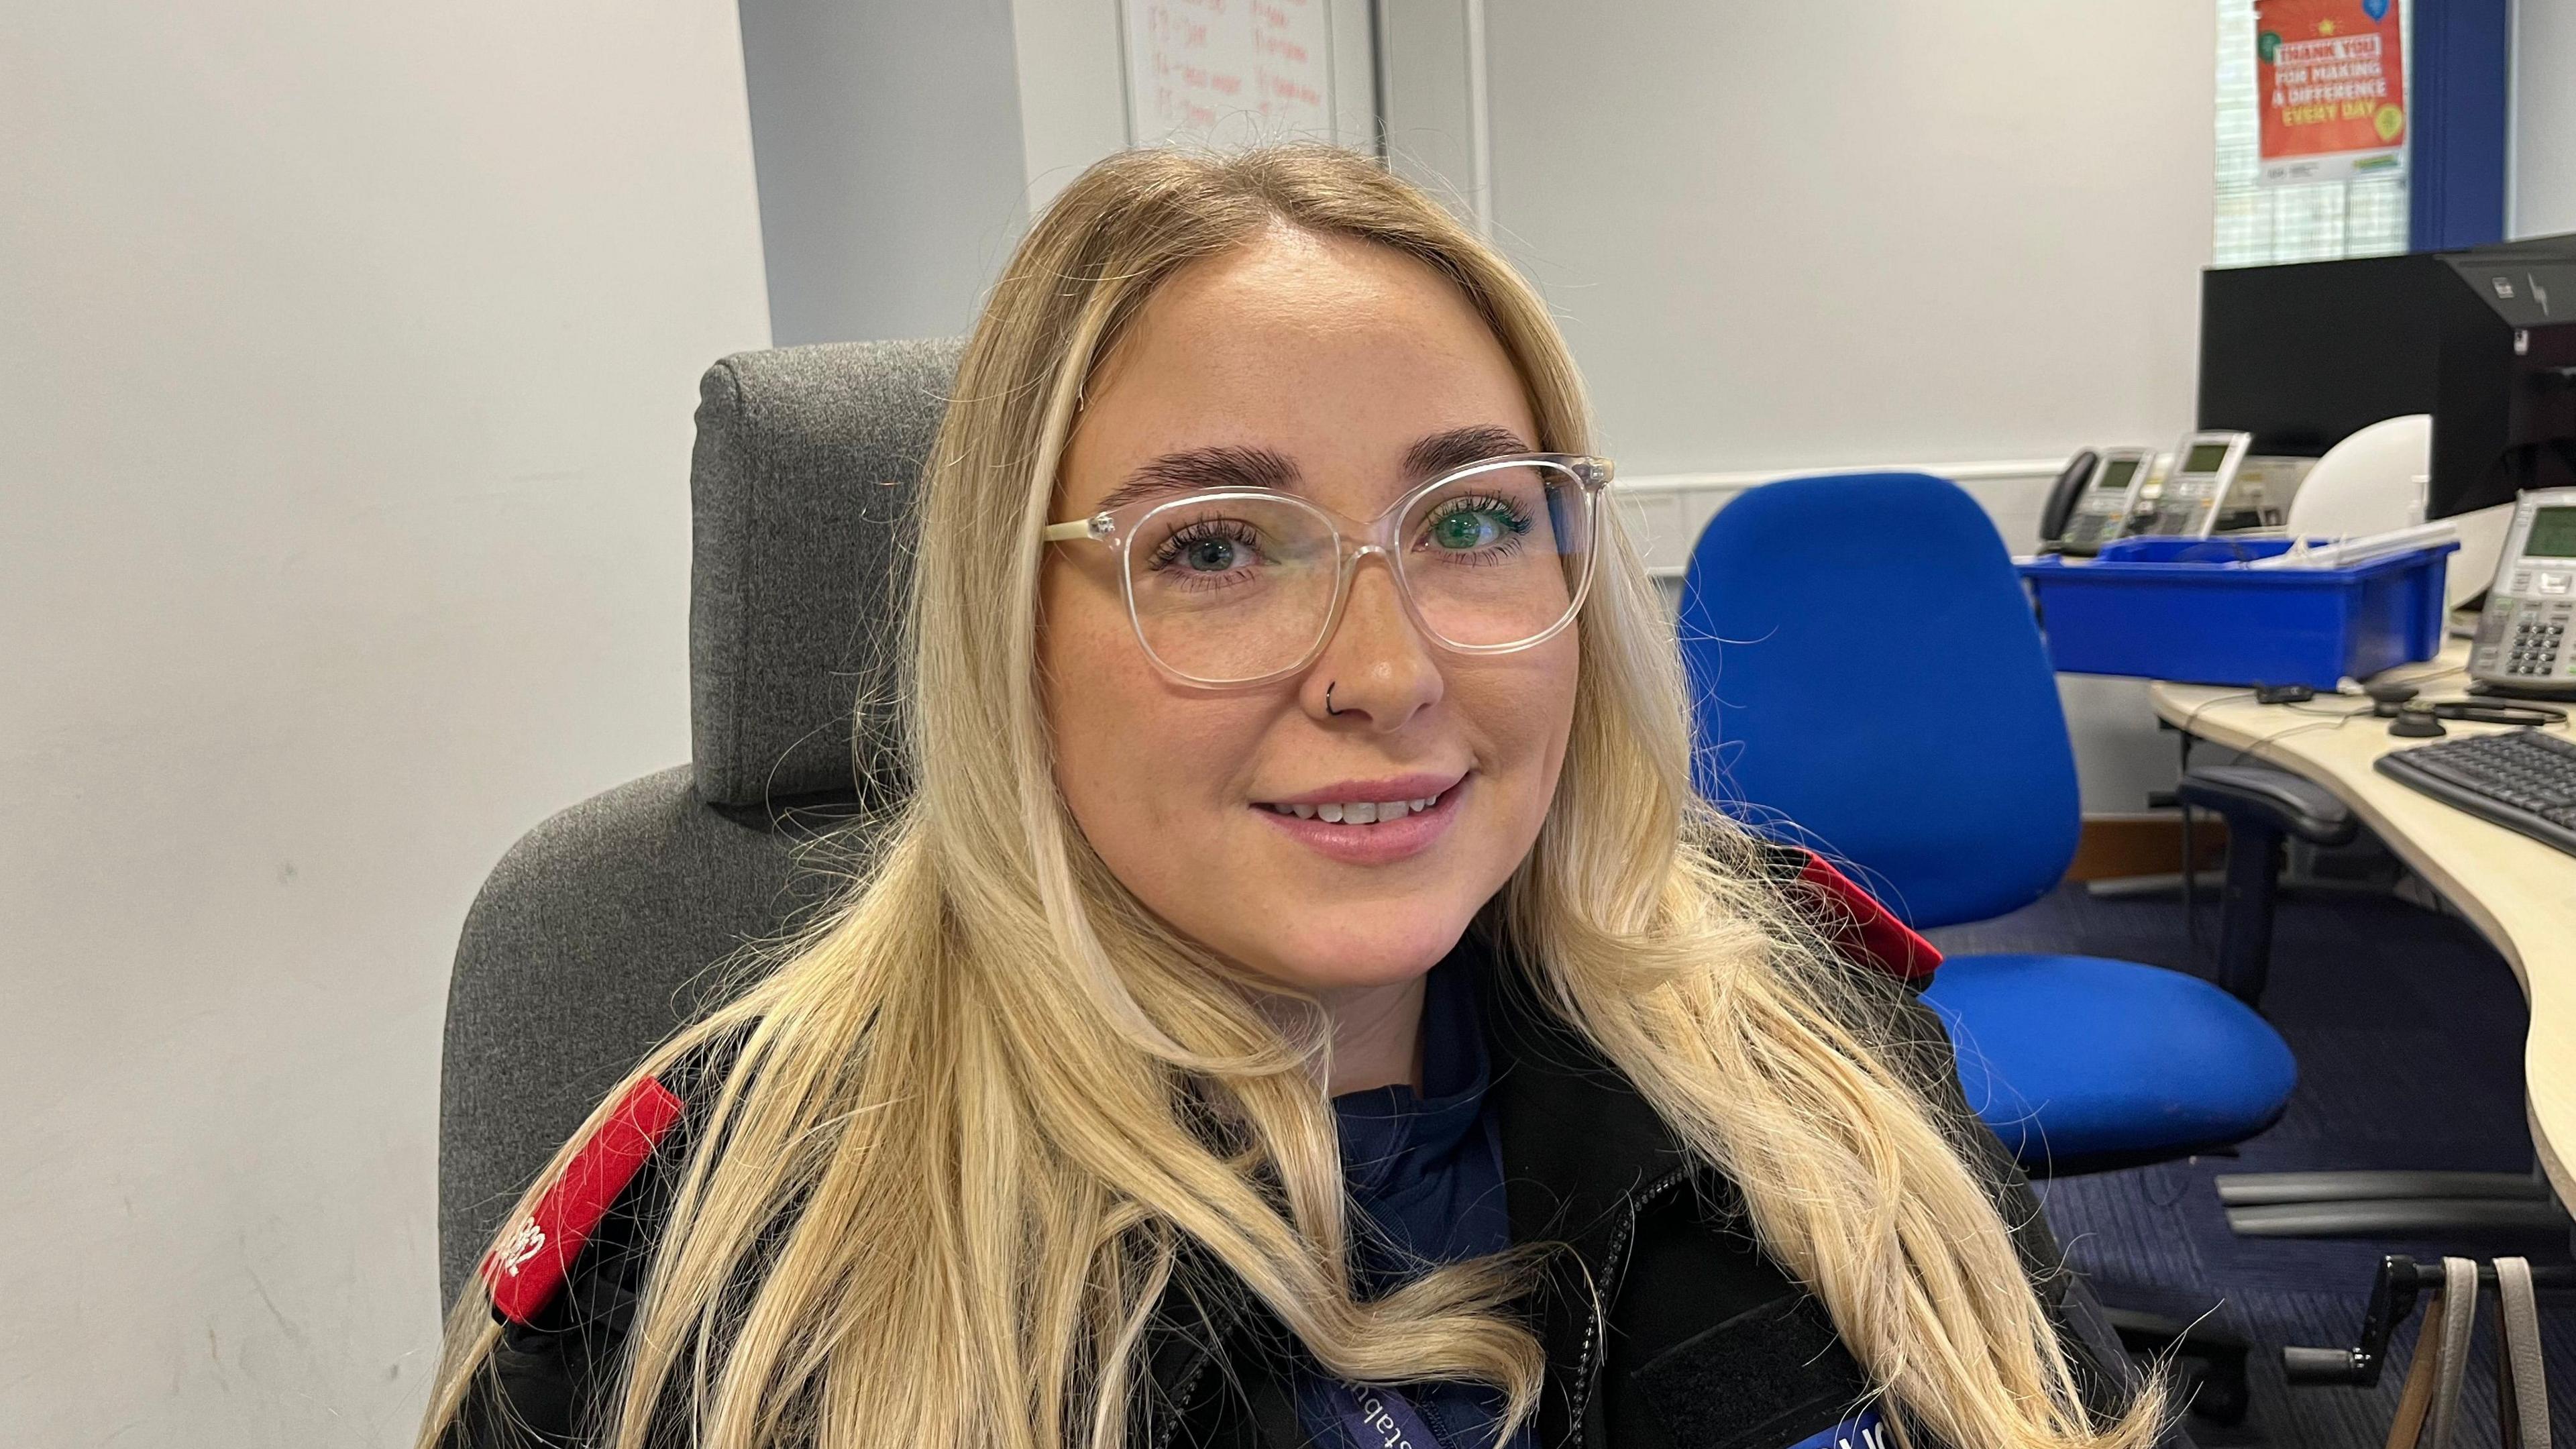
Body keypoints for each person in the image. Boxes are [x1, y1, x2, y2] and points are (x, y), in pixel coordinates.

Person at [419, 145, 2167, 1449]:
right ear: (1002, 633)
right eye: (1214, 548)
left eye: (1473, 520)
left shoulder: (1814, 1048)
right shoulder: (721, 1266)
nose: (1385, 671)